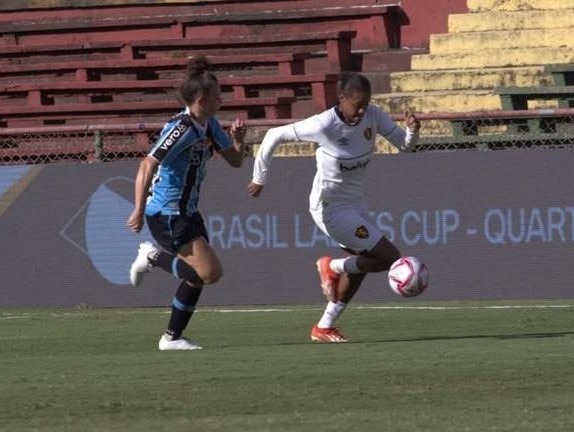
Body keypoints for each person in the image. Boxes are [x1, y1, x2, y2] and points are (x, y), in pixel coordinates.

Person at [247, 72, 421, 343]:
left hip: (356, 204)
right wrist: (260, 177)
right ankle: (332, 266)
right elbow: (273, 135)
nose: (361, 110)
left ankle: (324, 327)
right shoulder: (323, 124)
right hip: (329, 208)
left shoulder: (373, 116)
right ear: (341, 99)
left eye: (366, 104)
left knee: (363, 264)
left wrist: (412, 130)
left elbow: (405, 146)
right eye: (356, 105)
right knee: (389, 257)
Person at [127, 56, 247, 351]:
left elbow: (235, 161)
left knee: (199, 277)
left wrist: (239, 141)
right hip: (167, 212)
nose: (222, 100)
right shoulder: (181, 128)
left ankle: (172, 338)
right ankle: (153, 257)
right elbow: (147, 164)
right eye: (218, 96)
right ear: (203, 99)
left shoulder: (209, 125)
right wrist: (139, 208)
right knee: (210, 272)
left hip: (188, 211)